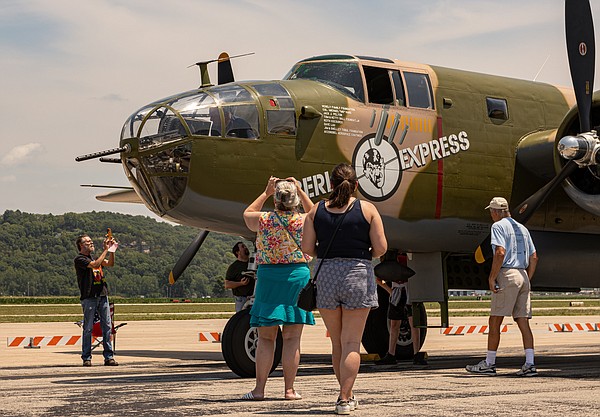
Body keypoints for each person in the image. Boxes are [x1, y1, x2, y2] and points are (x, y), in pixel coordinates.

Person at [302, 163, 387, 415]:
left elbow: (307, 247)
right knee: (352, 342)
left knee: (337, 343)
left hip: (327, 274)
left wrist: (328, 255)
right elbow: (381, 248)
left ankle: (345, 394)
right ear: (356, 185)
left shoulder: (316, 210)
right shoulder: (368, 209)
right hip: (357, 274)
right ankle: (344, 398)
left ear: (330, 184)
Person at [241, 176, 315, 400]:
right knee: (292, 339)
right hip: (297, 277)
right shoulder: (304, 220)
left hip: (269, 277)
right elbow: (316, 214)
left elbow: (247, 214)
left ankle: (259, 390)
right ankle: (289, 390)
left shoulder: (263, 220)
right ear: (294, 201)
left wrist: (265, 192)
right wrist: (302, 192)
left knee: (266, 338)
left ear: (276, 200)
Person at [466, 197, 538, 377]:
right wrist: (526, 278)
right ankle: (530, 364)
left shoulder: (498, 227)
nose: (490, 215)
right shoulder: (523, 228)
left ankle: (489, 363)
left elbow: (499, 252)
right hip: (523, 274)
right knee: (523, 322)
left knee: (495, 320)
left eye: (491, 211)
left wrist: (491, 277)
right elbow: (534, 257)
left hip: (507, 274)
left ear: (497, 212)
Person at [375, 253, 427, 366]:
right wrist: (390, 291)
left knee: (411, 323)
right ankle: (392, 354)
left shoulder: (396, 260)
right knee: (400, 324)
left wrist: (390, 291)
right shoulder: (401, 259)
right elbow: (379, 279)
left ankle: (415, 353)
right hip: (400, 292)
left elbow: (379, 279)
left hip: (405, 292)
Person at [74, 233, 118, 367]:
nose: (91, 243)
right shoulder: (80, 259)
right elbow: (95, 264)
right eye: (88, 242)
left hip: (102, 295)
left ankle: (108, 357)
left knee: (107, 327)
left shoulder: (94, 258)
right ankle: (86, 357)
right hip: (89, 297)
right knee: (88, 328)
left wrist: (111, 251)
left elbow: (110, 263)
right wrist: (105, 249)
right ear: (81, 245)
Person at [224, 241, 255, 312]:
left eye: (245, 246)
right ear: (238, 252)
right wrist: (241, 283)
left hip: (255, 297)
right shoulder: (233, 267)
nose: (246, 248)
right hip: (242, 299)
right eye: (243, 247)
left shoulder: (254, 263)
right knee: (242, 319)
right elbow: (227, 284)